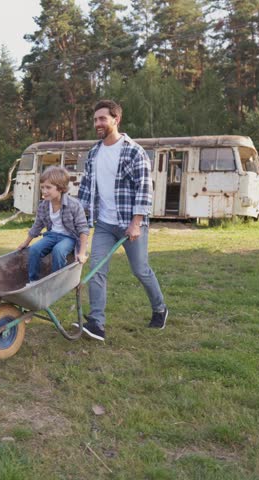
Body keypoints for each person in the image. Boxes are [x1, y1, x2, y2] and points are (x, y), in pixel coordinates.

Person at [76, 99, 168, 341]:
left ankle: (160, 308)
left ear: (116, 120)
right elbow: (86, 190)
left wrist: (136, 222)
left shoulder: (134, 151)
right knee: (97, 270)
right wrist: (77, 218)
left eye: (102, 119)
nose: (97, 123)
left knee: (140, 270)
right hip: (105, 224)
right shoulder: (94, 152)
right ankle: (97, 323)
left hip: (130, 223)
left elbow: (144, 190)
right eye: (95, 119)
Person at [18, 166, 89, 283]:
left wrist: (81, 253)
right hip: (51, 235)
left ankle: (55, 282)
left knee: (58, 251)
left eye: (48, 187)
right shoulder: (44, 205)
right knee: (34, 249)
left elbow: (83, 229)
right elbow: (37, 225)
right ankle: (33, 282)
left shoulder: (73, 205)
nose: (44, 191)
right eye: (42, 187)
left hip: (69, 237)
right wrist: (26, 243)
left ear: (60, 188)